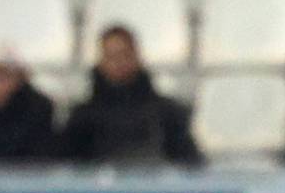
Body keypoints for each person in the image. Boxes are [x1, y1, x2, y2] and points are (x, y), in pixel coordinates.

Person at [62, 25, 201, 166]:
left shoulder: (167, 114)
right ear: (101, 61)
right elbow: (65, 164)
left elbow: (190, 164)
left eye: (124, 54)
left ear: (136, 57)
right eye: (111, 56)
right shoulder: (82, 118)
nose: (118, 62)